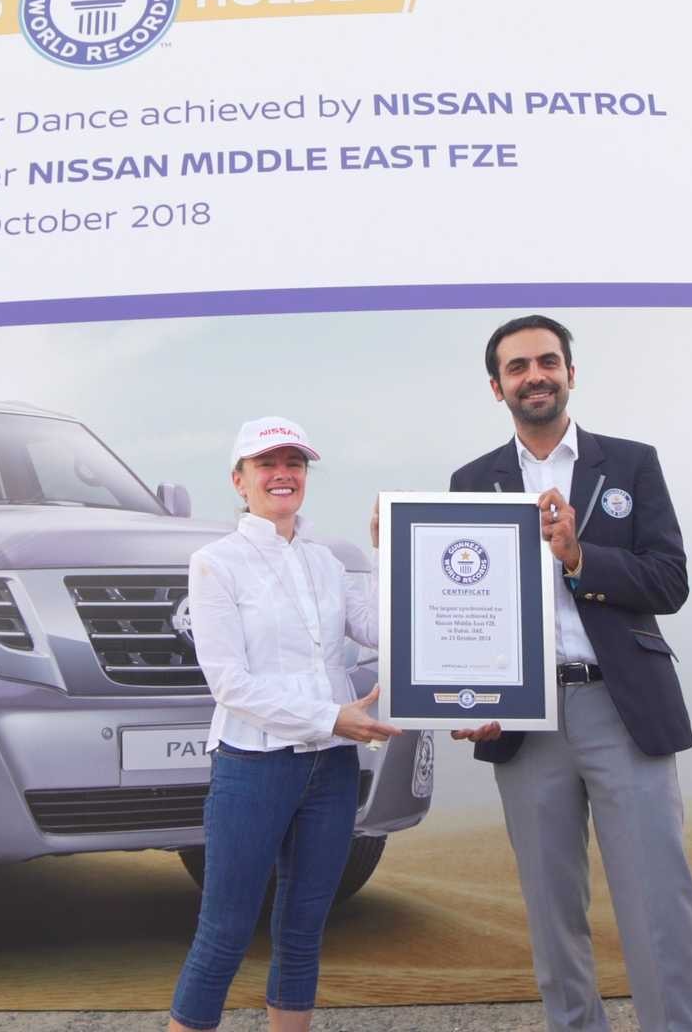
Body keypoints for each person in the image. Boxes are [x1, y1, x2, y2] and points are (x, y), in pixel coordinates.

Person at [448, 315, 692, 1031]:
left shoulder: (629, 464)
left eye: (547, 361)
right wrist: (469, 694)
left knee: (658, 902)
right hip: (523, 722)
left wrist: (580, 556)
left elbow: (670, 581)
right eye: (517, 367)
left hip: (621, 709)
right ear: (497, 387)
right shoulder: (470, 482)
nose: (534, 375)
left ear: (570, 372)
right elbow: (461, 607)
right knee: (551, 912)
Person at [166, 417, 404, 1032]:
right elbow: (230, 684)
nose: (282, 474)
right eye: (266, 463)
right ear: (239, 480)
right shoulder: (215, 563)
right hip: (253, 766)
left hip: (332, 768)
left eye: (294, 463)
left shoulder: (326, 562)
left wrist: (388, 549)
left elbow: (383, 629)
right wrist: (331, 717)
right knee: (224, 931)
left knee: (303, 930)